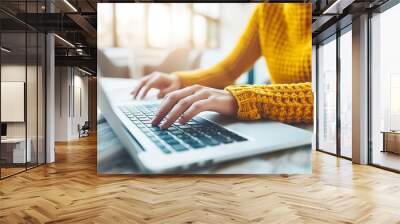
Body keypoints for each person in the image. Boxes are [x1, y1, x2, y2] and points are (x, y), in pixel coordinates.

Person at [131, 3, 313, 130]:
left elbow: (337, 96)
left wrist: (245, 99)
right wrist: (178, 79)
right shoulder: (267, 10)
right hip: (282, 126)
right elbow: (228, 70)